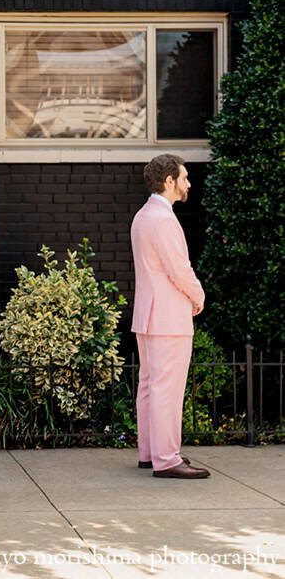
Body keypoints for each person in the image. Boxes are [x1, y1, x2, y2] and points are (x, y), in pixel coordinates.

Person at [130, 155, 209, 479]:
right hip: (168, 318)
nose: (189, 183)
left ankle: (151, 453)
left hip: (148, 316)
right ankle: (166, 458)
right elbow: (180, 269)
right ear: (169, 181)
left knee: (150, 386)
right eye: (184, 177)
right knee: (167, 389)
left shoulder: (142, 216)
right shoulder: (163, 219)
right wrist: (199, 295)